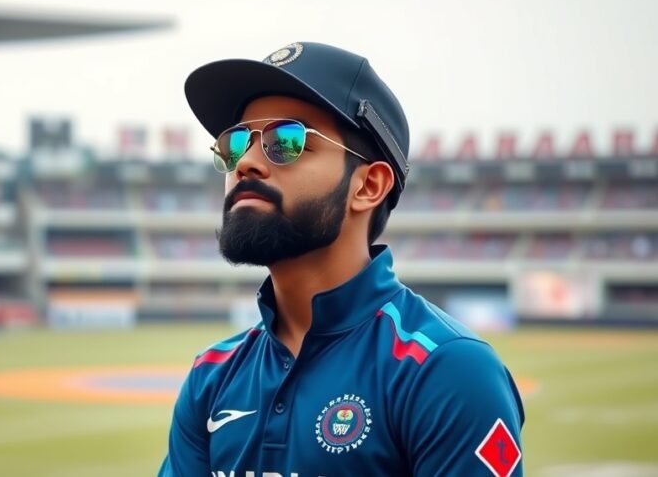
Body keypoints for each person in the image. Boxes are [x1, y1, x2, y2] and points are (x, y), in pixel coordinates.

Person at [159, 42, 525, 477]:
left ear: (369, 186)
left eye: (287, 141)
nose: (247, 163)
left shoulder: (447, 371)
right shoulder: (210, 378)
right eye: (235, 143)